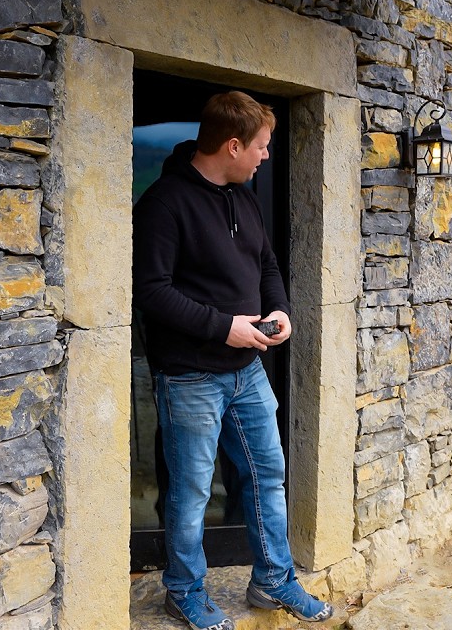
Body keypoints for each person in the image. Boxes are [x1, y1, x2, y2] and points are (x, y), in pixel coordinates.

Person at [133, 91, 333, 630]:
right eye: (263, 147)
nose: (267, 155)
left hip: (247, 372)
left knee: (268, 475)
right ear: (233, 145)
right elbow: (151, 292)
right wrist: (226, 327)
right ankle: (184, 590)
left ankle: (273, 580)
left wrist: (279, 309)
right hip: (190, 376)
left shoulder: (244, 198)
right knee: (194, 488)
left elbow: (266, 263)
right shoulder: (163, 204)